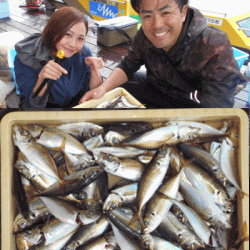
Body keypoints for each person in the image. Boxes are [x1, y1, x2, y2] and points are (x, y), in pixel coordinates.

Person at [80, 0, 247, 108]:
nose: (156, 25)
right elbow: (128, 64)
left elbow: (216, 110)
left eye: (165, 13)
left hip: (192, 105)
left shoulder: (213, 44)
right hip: (159, 90)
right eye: (147, 15)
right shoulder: (144, 35)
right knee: (118, 84)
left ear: (183, 12)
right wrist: (102, 89)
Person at [14, 7, 104, 108]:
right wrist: (42, 79)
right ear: (53, 31)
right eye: (68, 34)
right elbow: (33, 107)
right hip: (46, 112)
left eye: (80, 38)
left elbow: (94, 92)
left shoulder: (83, 52)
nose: (73, 44)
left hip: (75, 107)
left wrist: (93, 71)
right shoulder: (27, 57)